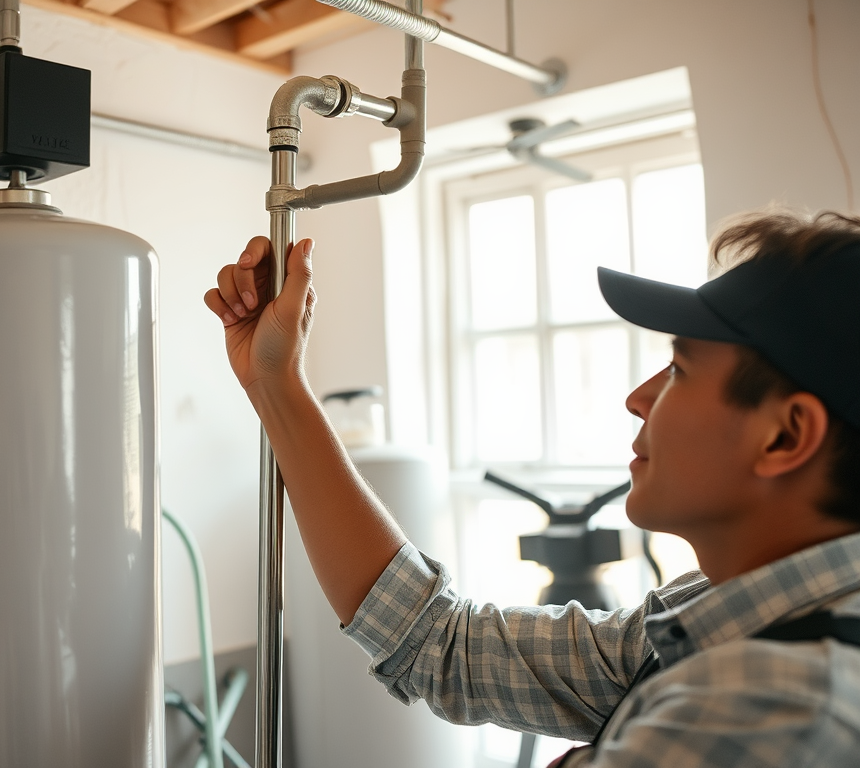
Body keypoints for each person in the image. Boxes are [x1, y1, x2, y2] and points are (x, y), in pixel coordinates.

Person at [203, 208, 860, 767]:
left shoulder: (775, 707)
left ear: (784, 435)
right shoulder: (723, 622)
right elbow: (442, 644)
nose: (638, 399)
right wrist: (276, 382)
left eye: (681, 370)